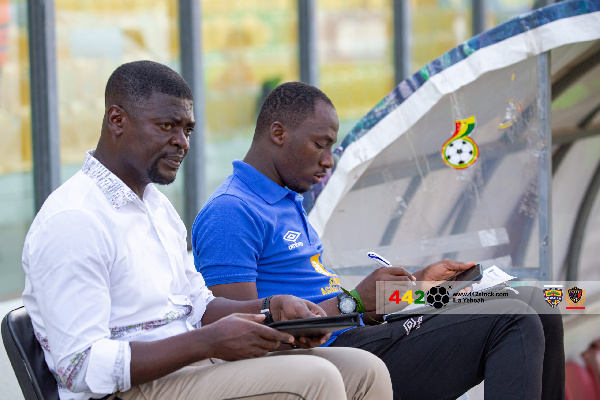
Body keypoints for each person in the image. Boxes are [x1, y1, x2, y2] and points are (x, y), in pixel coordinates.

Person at [21, 62, 394, 400]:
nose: (182, 142)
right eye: (167, 126)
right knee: (316, 377)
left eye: (187, 129)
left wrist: (271, 307)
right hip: (126, 391)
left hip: (191, 367)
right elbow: (80, 368)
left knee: (365, 370)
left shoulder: (155, 206)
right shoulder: (74, 219)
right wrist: (206, 343)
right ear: (117, 120)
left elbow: (197, 305)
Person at [192, 81, 565, 400]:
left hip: (360, 336)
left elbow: (332, 306)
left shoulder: (286, 198)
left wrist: (416, 289)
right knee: (513, 318)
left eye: (332, 148)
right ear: (278, 134)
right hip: (333, 361)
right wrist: (353, 300)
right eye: (320, 145)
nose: (328, 161)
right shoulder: (231, 212)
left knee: (537, 301)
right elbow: (246, 338)